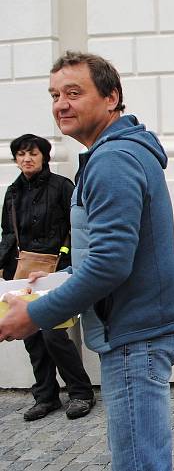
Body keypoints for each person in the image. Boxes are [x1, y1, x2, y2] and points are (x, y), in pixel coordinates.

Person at [0, 51, 174, 471]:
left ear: (111, 98)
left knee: (138, 463)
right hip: (136, 326)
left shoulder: (112, 159)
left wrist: (36, 315)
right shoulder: (112, 153)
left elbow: (109, 264)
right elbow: (109, 253)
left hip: (132, 333)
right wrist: (52, 281)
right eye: (54, 95)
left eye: (73, 92)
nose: (60, 104)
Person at [0, 134, 94, 421]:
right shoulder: (13, 193)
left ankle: (80, 392)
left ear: (44, 157)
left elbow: (76, 227)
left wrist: (65, 265)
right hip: (24, 272)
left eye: (33, 154)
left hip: (56, 269)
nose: (27, 159)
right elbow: (8, 232)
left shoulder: (62, 187)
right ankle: (46, 395)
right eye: (21, 155)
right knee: (31, 336)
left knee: (54, 334)